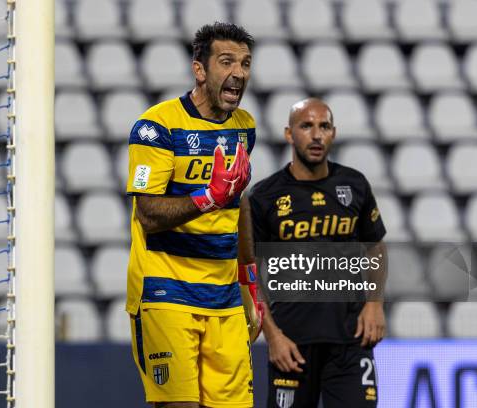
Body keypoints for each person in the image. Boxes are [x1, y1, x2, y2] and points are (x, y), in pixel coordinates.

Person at [126, 22, 263, 408]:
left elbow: (240, 202)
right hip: (165, 290)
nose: (239, 73)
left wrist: (250, 279)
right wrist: (208, 198)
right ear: (200, 70)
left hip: (224, 297)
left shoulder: (244, 128)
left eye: (246, 63)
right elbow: (148, 214)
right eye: (227, 62)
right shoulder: (156, 127)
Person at [240, 98, 387, 407]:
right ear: (289, 134)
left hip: (351, 341)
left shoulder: (354, 184)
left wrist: (374, 304)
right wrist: (272, 336)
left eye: (324, 126)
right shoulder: (266, 197)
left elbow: (375, 246)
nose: (316, 135)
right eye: (306, 126)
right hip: (291, 344)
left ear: (333, 133)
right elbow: (249, 272)